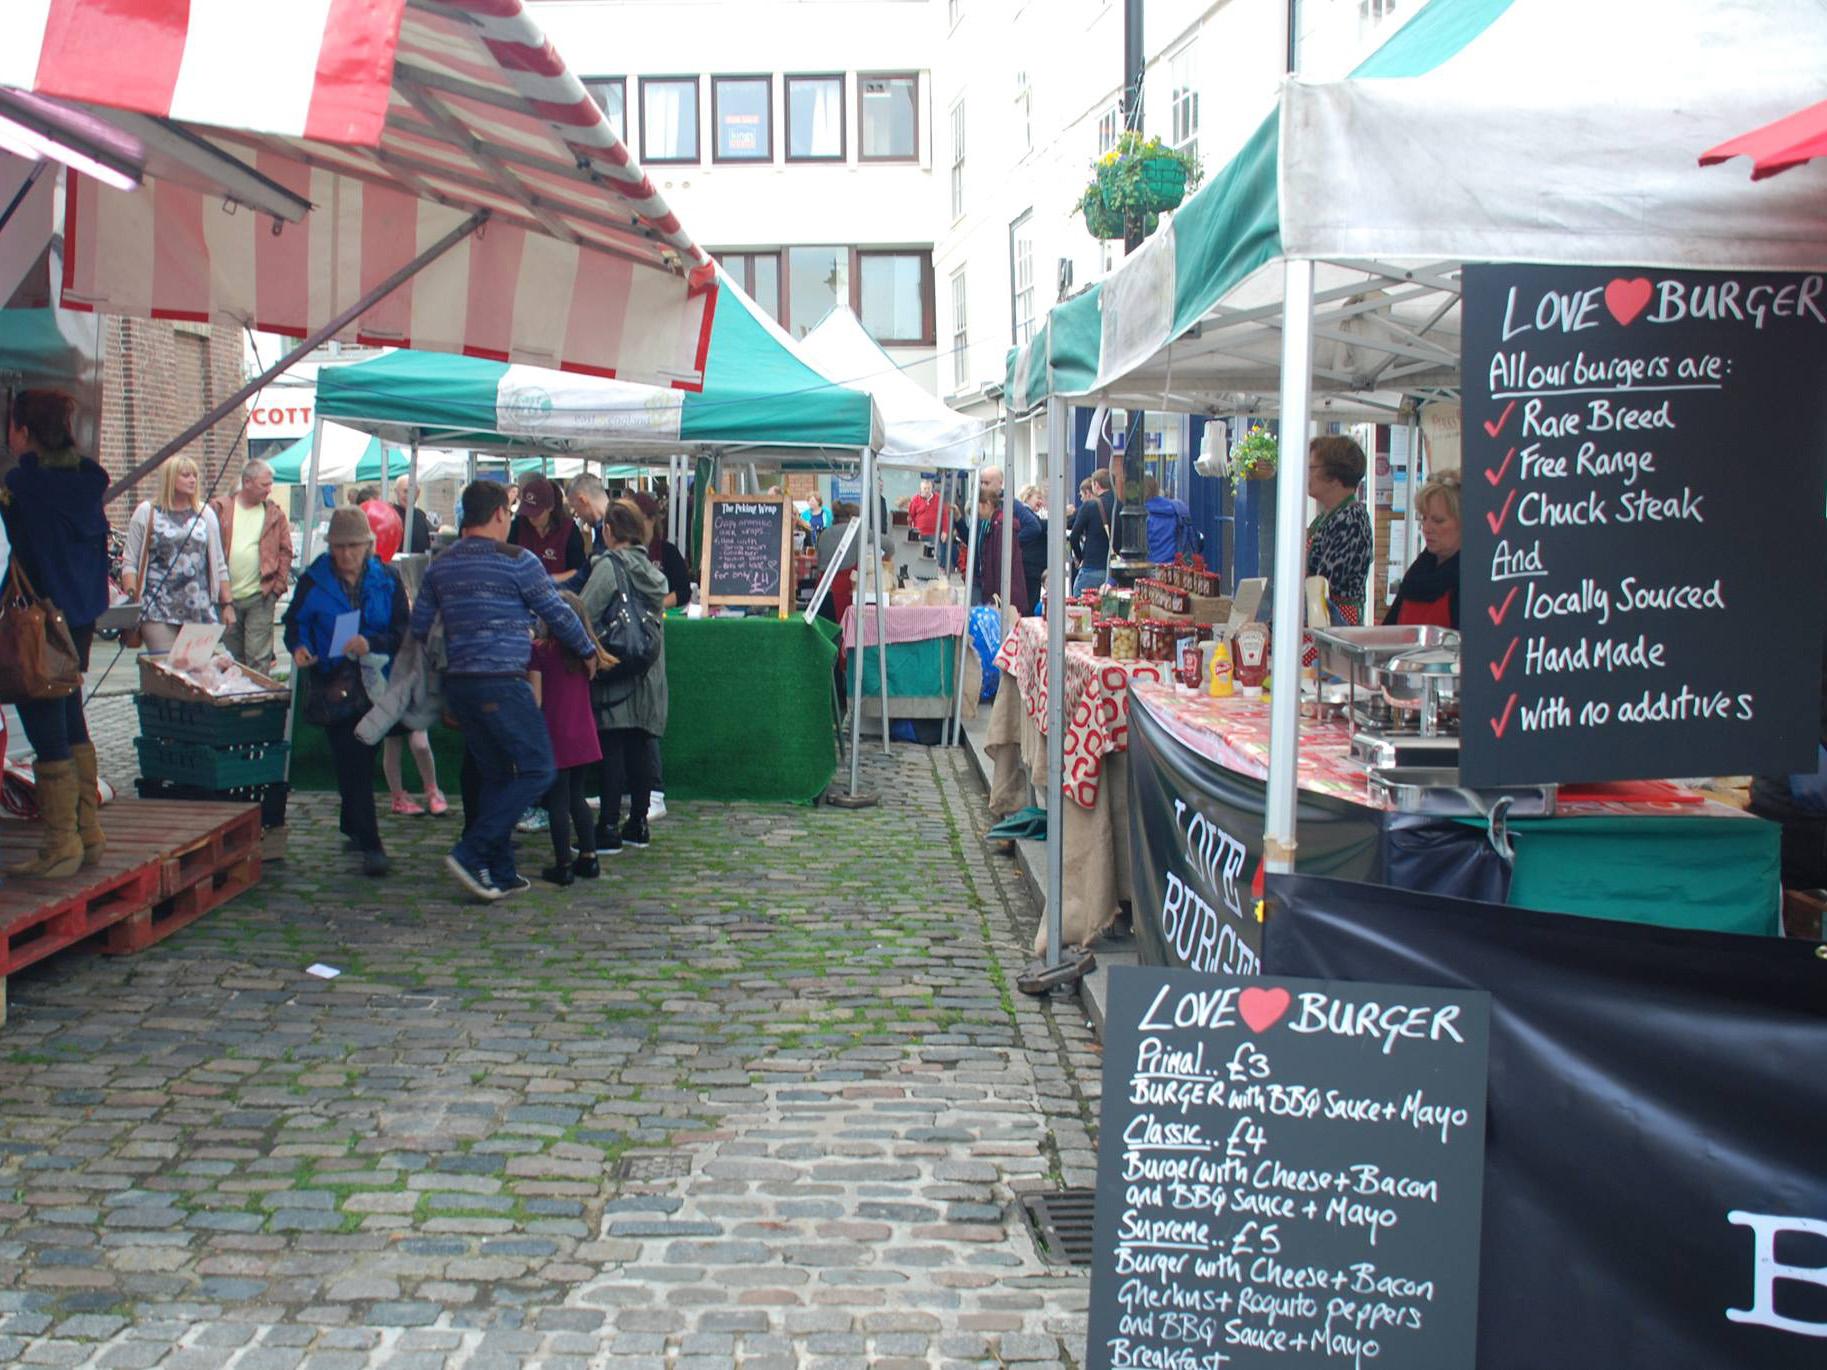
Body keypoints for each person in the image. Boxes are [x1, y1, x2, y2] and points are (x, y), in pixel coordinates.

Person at [413, 479, 599, 900]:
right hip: (502, 679)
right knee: (537, 768)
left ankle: (500, 868)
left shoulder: (440, 564)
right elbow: (557, 610)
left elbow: (421, 627)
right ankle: (472, 852)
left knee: (498, 773)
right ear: (499, 513)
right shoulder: (519, 561)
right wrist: (587, 649)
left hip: (459, 684)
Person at [0, 390, 110, 879]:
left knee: (46, 723)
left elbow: (20, 554)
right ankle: (89, 834)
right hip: (81, 616)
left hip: (39, 619)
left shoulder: (22, 485)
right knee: (69, 715)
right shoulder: (88, 481)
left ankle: (60, 843)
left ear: (23, 431)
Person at [282, 507, 410, 878]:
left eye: (353, 546)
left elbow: (403, 633)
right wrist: (300, 646)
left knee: (361, 759)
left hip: (376, 682)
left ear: (368, 545)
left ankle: (352, 822)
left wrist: (369, 642)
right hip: (332, 681)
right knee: (351, 757)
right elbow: (294, 624)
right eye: (339, 547)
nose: (346, 554)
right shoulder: (314, 580)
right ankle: (371, 844)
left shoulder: (386, 578)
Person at [582, 500, 668, 856]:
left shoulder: (610, 567)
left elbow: (584, 611)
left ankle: (607, 828)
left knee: (613, 749)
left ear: (609, 531)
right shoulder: (650, 570)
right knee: (640, 746)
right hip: (649, 669)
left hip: (617, 666)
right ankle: (639, 823)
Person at [122, 455, 233, 653]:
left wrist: (227, 604)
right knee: (165, 671)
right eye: (186, 475)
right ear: (170, 478)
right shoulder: (147, 512)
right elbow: (130, 562)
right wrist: (133, 602)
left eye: (195, 475)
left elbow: (218, 563)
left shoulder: (205, 513)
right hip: (157, 607)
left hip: (199, 606)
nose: (193, 480)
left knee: (197, 673)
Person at [532, 589, 604, 886]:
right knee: (578, 797)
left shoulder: (540, 651)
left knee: (558, 801)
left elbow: (535, 699)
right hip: (583, 732)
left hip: (555, 733)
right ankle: (589, 856)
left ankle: (562, 863)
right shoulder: (588, 655)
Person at [210, 458, 292, 673]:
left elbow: (285, 551)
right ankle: (235, 698)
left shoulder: (274, 514)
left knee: (258, 657)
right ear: (247, 482)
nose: (269, 489)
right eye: (264, 484)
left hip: (261, 595)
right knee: (233, 658)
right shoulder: (220, 509)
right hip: (226, 598)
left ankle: (257, 702)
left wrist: (277, 588)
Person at [1305, 435, 1374, 624]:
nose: (1305, 473)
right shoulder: (1327, 517)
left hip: (1335, 624)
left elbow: (1321, 588)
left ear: (1334, 477)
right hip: (1315, 620)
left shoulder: (1350, 520)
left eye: (1311, 468)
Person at [1384, 472, 1462, 628]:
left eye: (1438, 521)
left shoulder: (1469, 582)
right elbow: (1389, 630)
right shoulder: (1418, 572)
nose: (1426, 528)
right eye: (1424, 518)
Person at [980, 466, 1045, 615]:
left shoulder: (1010, 504)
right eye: (982, 482)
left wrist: (1011, 541)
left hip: (1011, 578)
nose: (983, 486)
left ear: (1000, 483)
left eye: (987, 483)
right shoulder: (988, 509)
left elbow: (1033, 527)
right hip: (989, 579)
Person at [509, 475, 587, 589]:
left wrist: (550, 580)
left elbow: (578, 571)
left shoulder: (569, 530)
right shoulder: (517, 526)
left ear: (550, 507)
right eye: (527, 511)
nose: (531, 517)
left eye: (536, 513)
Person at [974, 488, 1027, 612]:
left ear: (987, 504)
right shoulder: (997, 525)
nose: (976, 512)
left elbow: (999, 563)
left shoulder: (1000, 527)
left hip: (1005, 594)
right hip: (1005, 591)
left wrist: (995, 594)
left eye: (978, 506)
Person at [1068, 467, 1116, 595]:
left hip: (1092, 566)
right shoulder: (1121, 506)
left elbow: (1074, 536)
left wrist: (1080, 557)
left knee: (1081, 607)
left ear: (1096, 485)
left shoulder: (1090, 506)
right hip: (1113, 569)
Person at [1142, 476, 1197, 566]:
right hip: (1175, 571)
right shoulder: (1177, 509)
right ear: (1157, 489)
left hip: (1150, 573)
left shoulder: (1141, 517)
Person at [392, 474, 433, 554]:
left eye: (412, 491)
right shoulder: (390, 515)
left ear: (418, 493)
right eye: (405, 491)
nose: (409, 496)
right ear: (396, 492)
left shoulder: (421, 515)